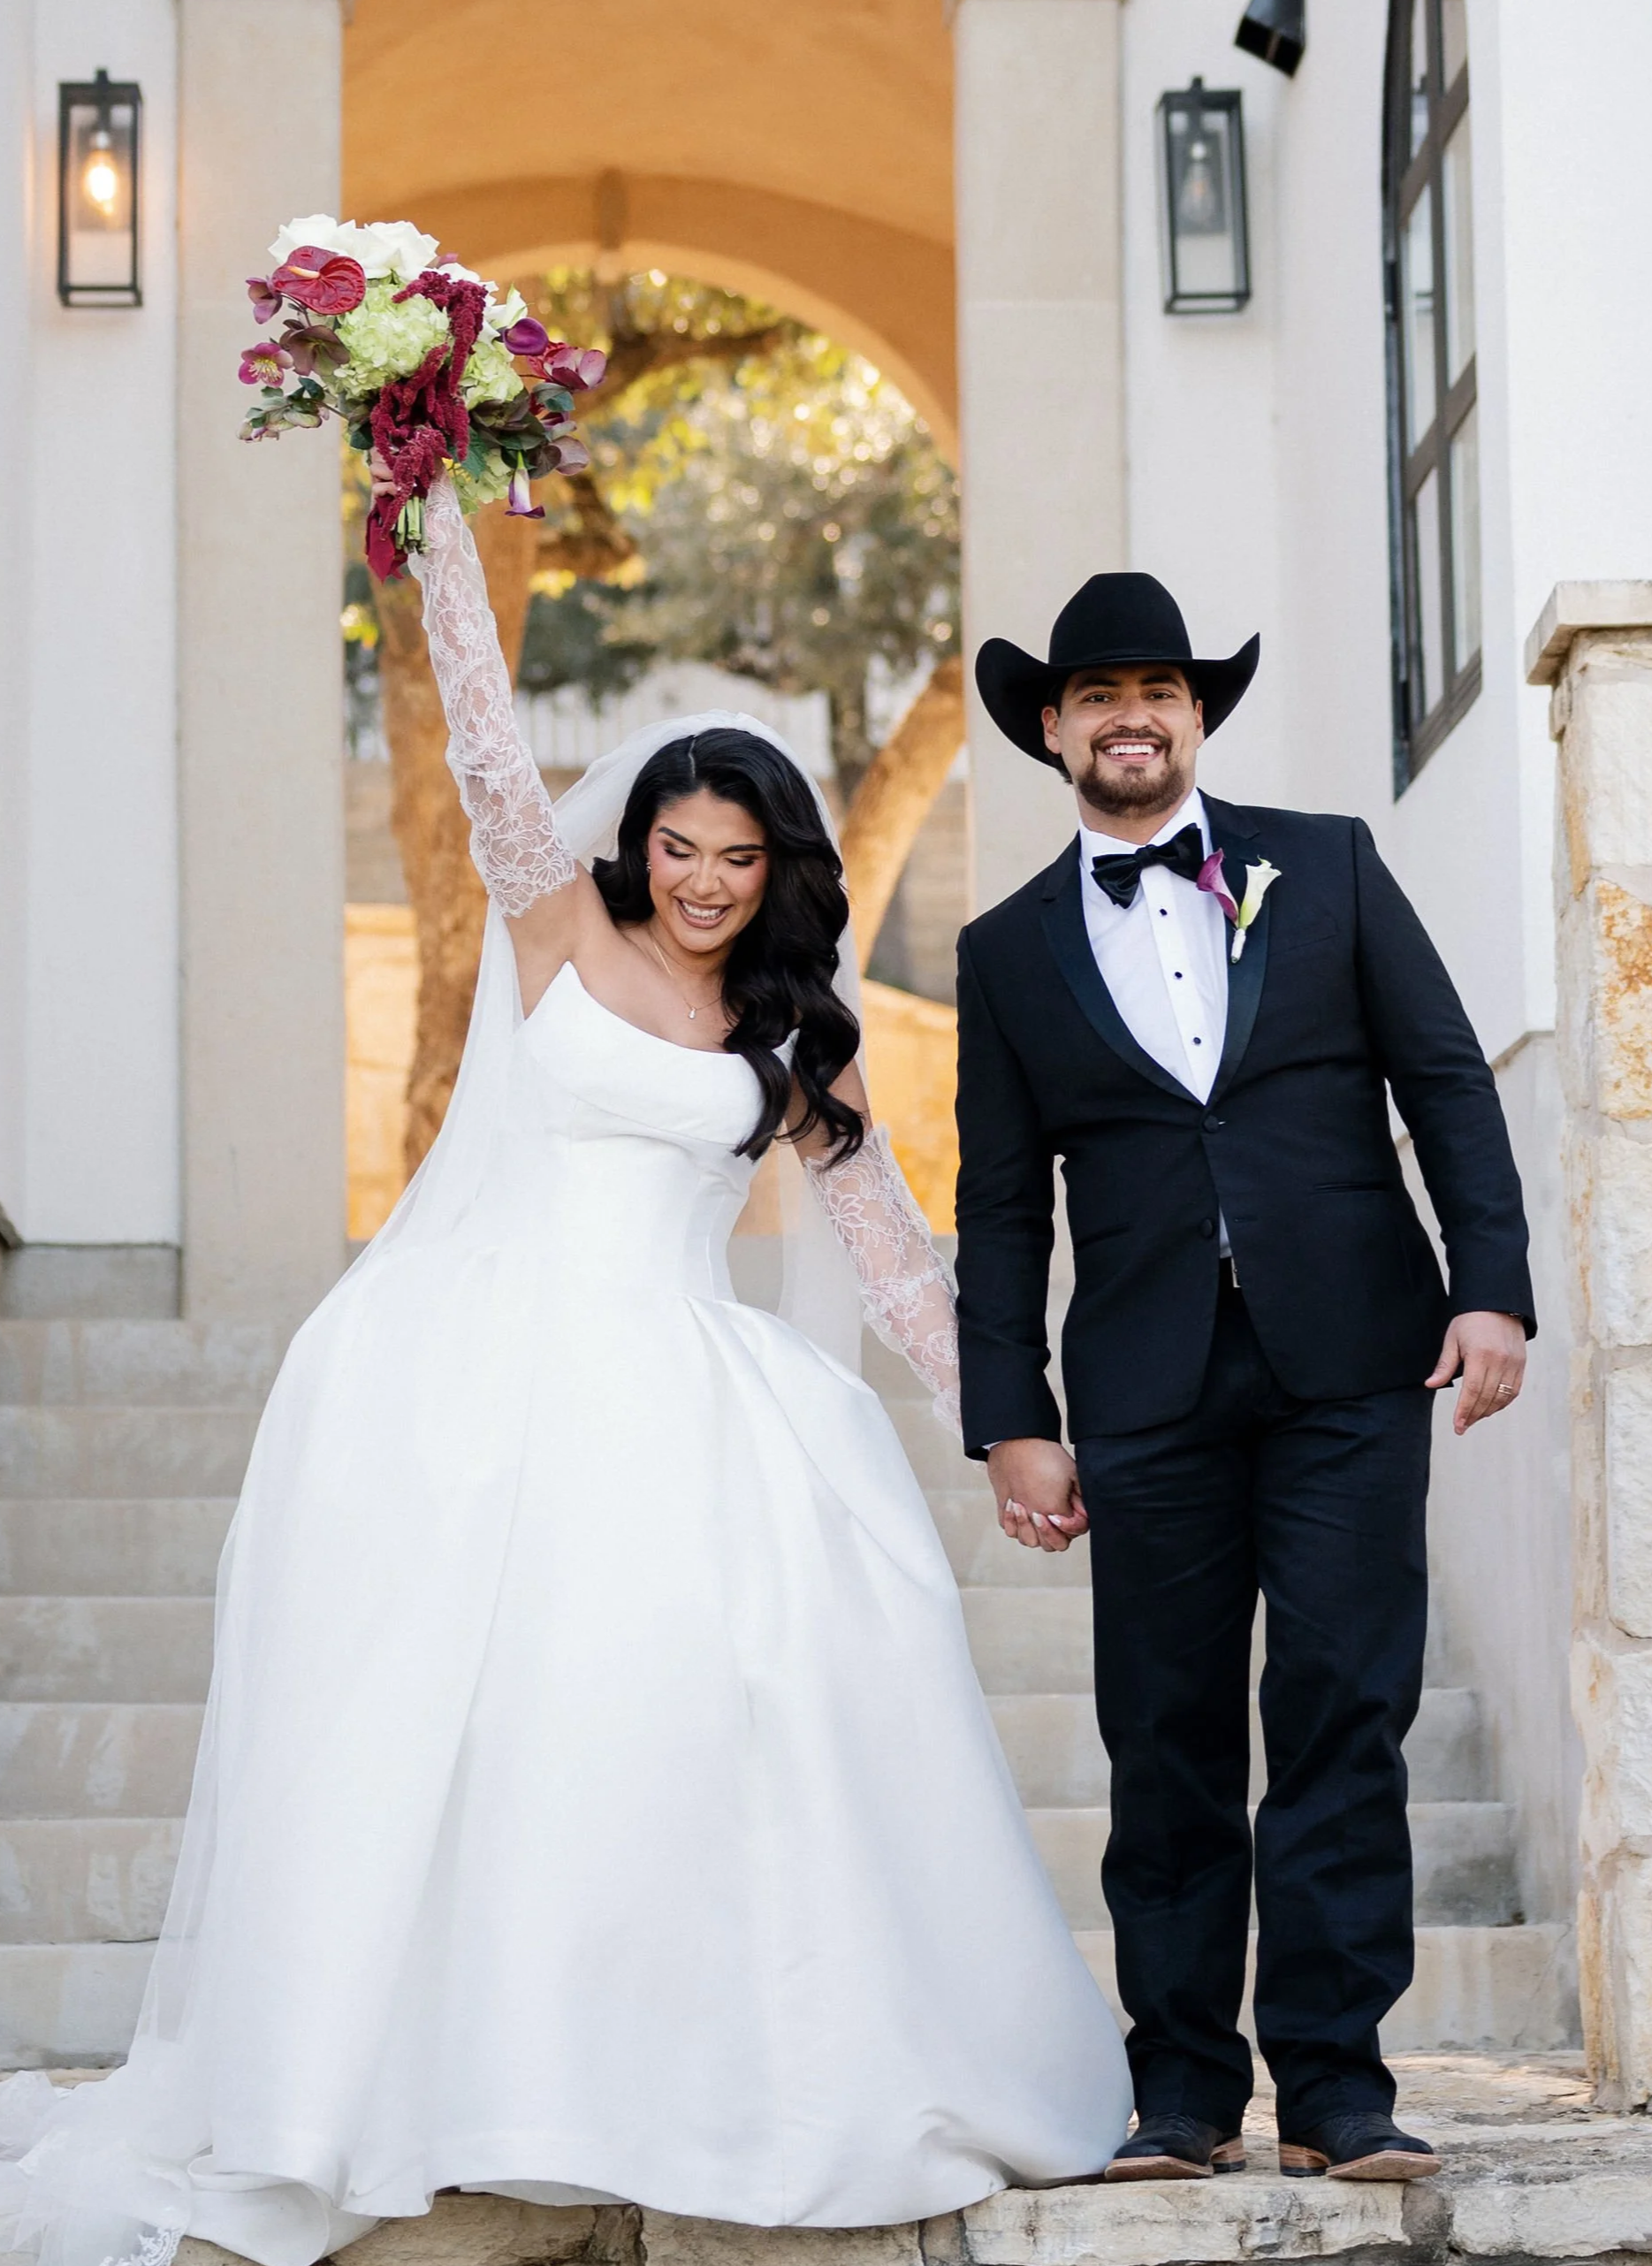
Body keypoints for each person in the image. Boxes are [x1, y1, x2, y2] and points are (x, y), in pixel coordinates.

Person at [0, 480, 1129, 2266]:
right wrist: (430, 504)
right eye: (677, 846)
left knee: (692, 1712)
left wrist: (1009, 1432)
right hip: (473, 1369)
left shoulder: (789, 1040)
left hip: (681, 1389)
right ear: (639, 847)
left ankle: (675, 2076)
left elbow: (893, 1253)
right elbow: (478, 732)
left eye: (734, 857)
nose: (697, 879)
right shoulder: (553, 927)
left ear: (779, 873)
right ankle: (443, 2085)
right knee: (459, 1729)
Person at [955, 573, 1534, 2186]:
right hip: (1142, 1388)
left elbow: (1442, 1080)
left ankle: (1340, 2089)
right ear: (1052, 729)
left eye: (1158, 686)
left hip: (1354, 1357)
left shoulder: (1327, 862)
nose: (1128, 713)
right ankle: (1182, 2094)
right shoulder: (1003, 951)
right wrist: (1011, 1416)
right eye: (1094, 693)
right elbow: (999, 1203)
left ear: (1196, 714)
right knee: (1169, 1734)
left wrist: (1491, 1289)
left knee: (1347, 1710)